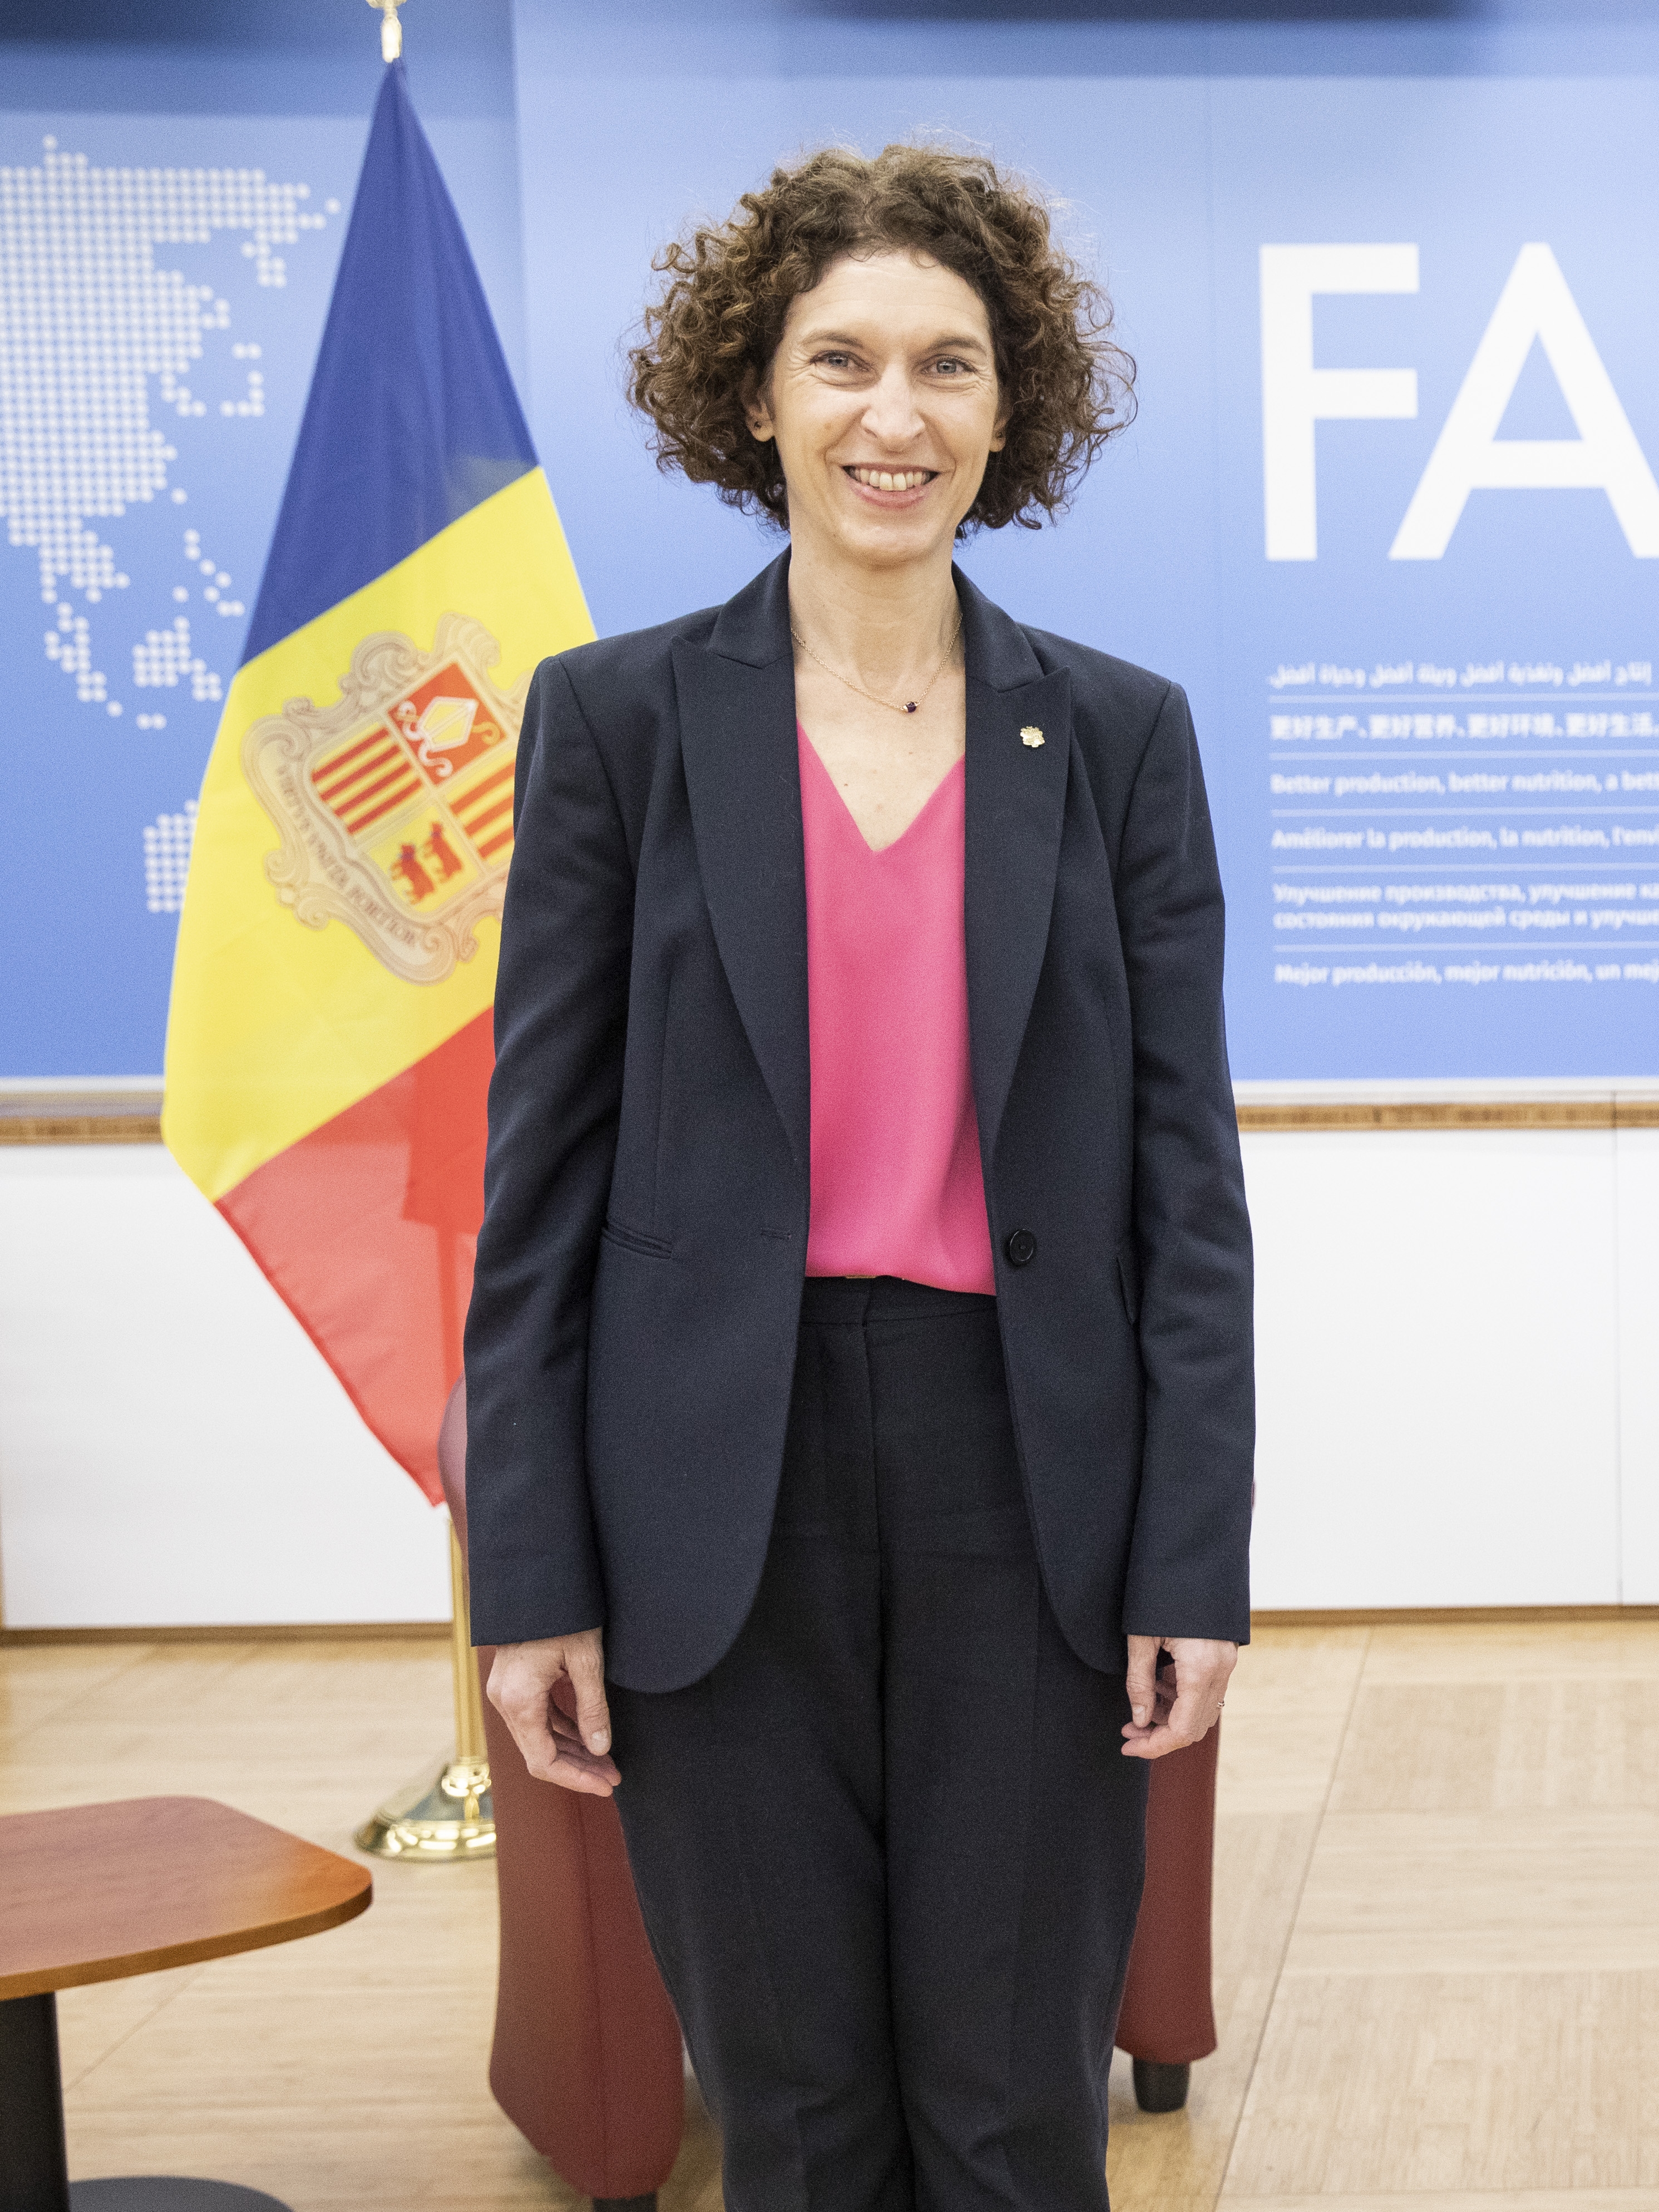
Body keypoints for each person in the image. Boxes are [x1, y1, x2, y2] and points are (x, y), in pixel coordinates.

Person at [465, 145, 1253, 2210]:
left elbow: (1187, 1186)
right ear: (755, 394)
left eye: (946, 366)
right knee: (795, 2118)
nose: (892, 415)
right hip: (713, 1490)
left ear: (1008, 409)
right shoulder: (618, 723)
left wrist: (1193, 1561)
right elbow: (537, 1189)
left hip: (1030, 1483)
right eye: (841, 361)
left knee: (1011, 2115)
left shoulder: (1119, 736)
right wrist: (529, 1581)